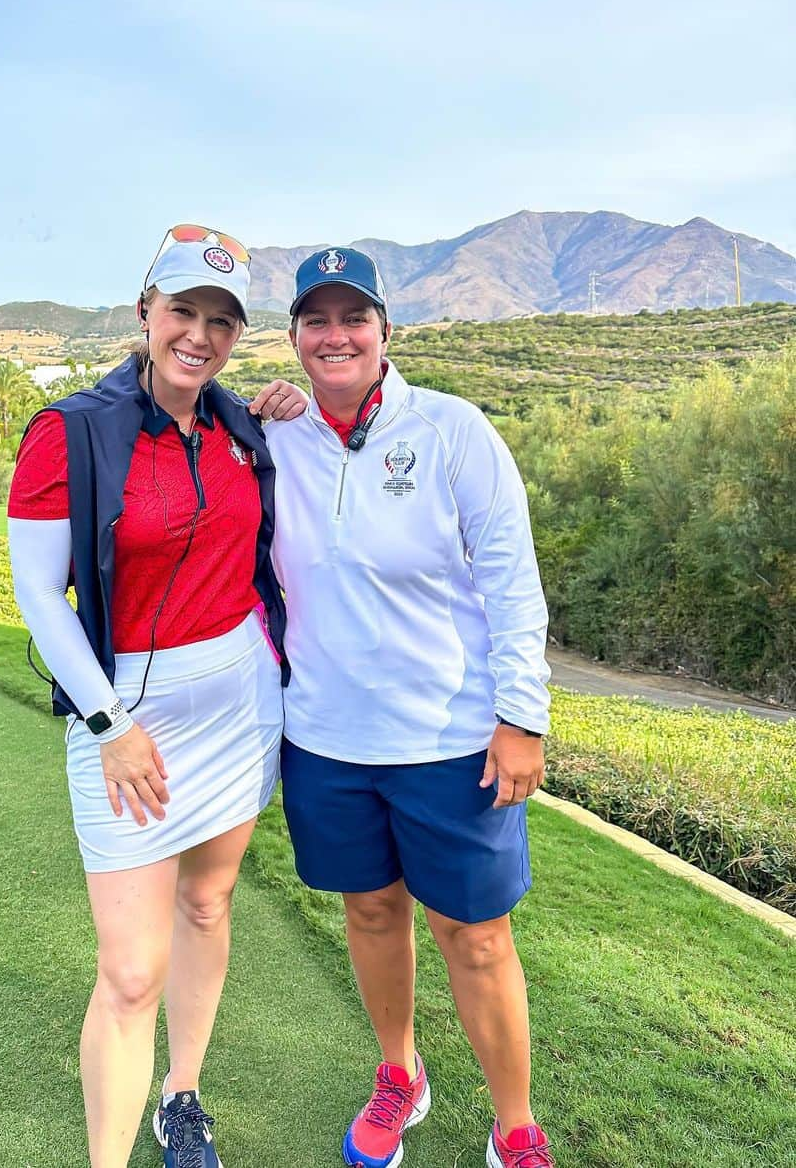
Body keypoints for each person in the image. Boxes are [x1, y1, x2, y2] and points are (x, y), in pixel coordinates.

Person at [7, 225, 305, 1168]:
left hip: (238, 704)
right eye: (184, 311)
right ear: (145, 313)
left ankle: (183, 1097)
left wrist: (293, 411)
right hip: (124, 716)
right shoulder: (70, 431)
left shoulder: (241, 424)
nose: (200, 335)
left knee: (210, 908)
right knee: (131, 973)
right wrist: (108, 723)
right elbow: (36, 597)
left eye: (222, 320)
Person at [265, 247, 555, 1168]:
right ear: (297, 339)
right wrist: (261, 405)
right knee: (371, 914)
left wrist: (524, 716)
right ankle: (401, 1073)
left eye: (355, 319)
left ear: (386, 331)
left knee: (475, 938)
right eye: (318, 321)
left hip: (450, 739)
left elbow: (512, 578)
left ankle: (514, 1129)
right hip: (324, 738)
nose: (336, 335)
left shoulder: (453, 430)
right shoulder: (271, 431)